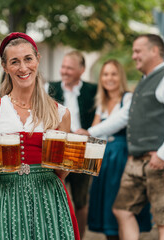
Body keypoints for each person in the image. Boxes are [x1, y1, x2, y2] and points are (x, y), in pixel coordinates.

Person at [82, 34, 164, 240]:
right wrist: (89, 132)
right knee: (122, 211)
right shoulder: (143, 82)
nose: (133, 56)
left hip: (161, 162)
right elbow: (124, 116)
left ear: (155, 51)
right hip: (137, 161)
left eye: (137, 51)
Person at [0, 32, 80, 239]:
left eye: (28, 59)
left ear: (37, 59)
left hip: (48, 200)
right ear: (5, 67)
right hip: (6, 200)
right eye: (15, 62)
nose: (23, 68)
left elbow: (61, 174)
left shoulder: (60, 113)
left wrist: (69, 157)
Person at [87, 59, 152, 239]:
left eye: (114, 74)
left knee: (120, 204)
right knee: (106, 208)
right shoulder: (101, 102)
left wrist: (89, 132)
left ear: (120, 76)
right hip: (105, 158)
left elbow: (118, 124)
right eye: (106, 74)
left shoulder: (128, 99)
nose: (109, 78)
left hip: (122, 156)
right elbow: (93, 135)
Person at [48, 50, 97, 238]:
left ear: (81, 70)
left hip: (83, 149)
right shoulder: (49, 88)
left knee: (81, 199)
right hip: (57, 147)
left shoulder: (92, 90)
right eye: (63, 66)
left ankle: (80, 236)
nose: (64, 71)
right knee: (54, 195)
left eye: (69, 67)